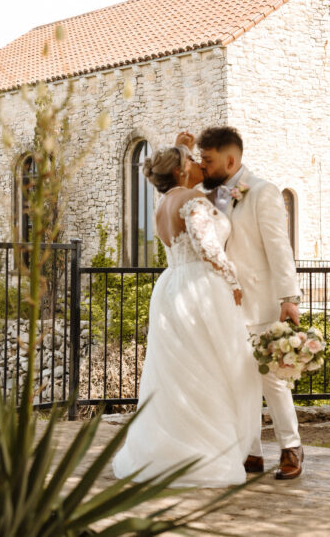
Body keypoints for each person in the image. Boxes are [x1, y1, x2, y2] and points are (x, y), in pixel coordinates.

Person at [111, 145, 261, 488]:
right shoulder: (192, 202)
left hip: (171, 286)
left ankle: (168, 449)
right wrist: (233, 281)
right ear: (180, 171)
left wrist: (182, 141)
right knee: (210, 369)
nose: (197, 162)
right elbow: (207, 246)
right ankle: (205, 453)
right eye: (191, 160)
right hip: (200, 288)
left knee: (177, 371)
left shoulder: (163, 204)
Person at [178, 126, 304, 480]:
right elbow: (169, 176)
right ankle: (251, 452)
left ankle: (291, 448)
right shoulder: (210, 194)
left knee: (272, 380)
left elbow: (280, 248)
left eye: (208, 159)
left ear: (230, 160)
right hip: (224, 305)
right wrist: (181, 148)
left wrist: (288, 298)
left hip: (261, 301)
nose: (202, 166)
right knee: (236, 378)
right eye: (200, 159)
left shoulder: (263, 192)